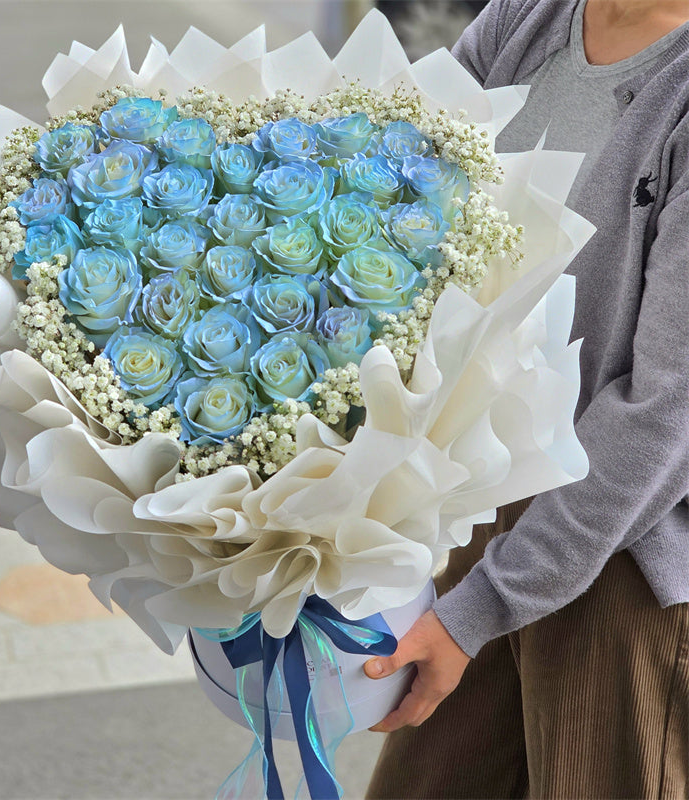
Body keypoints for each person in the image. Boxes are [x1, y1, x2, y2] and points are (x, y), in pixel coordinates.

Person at [364, 0, 689, 797]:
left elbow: (666, 408)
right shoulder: (528, 18)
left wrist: (483, 605)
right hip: (492, 506)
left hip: (622, 557)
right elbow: (392, 184)